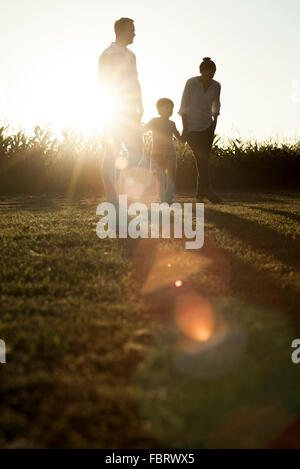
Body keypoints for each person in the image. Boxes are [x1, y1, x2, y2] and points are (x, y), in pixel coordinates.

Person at [98, 17, 144, 203]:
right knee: (112, 152)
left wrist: (140, 104)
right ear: (121, 31)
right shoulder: (108, 54)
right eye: (131, 29)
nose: (134, 33)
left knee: (137, 152)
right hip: (114, 110)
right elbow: (104, 83)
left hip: (131, 111)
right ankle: (112, 195)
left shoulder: (132, 55)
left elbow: (135, 81)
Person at [179, 57, 222, 203]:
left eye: (211, 75)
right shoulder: (191, 83)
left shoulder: (216, 86)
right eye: (206, 75)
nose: (208, 78)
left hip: (207, 127)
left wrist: (215, 121)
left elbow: (216, 104)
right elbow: (184, 105)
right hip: (191, 128)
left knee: (203, 160)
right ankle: (208, 192)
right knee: (200, 160)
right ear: (201, 72)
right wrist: (185, 128)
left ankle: (200, 194)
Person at [145, 98, 181, 203]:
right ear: (159, 110)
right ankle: (161, 198)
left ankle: (168, 198)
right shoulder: (154, 121)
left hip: (170, 154)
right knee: (159, 178)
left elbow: (179, 136)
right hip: (157, 154)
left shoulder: (172, 124)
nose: (170, 110)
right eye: (167, 107)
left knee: (171, 177)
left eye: (172, 108)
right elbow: (143, 129)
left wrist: (187, 133)